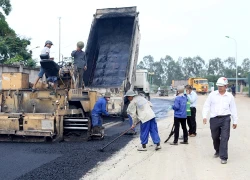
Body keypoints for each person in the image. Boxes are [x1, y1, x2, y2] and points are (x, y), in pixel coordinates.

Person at [202, 77, 238, 164]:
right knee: (215, 137)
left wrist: (235, 121)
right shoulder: (212, 95)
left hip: (225, 118)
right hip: (214, 119)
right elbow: (206, 105)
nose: (220, 88)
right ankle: (217, 150)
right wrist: (204, 116)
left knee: (225, 138)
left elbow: (233, 109)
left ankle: (224, 157)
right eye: (218, 86)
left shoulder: (230, 97)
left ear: (226, 86)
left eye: (221, 86)